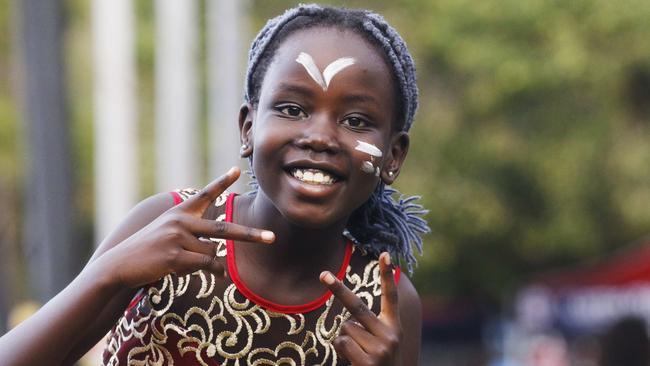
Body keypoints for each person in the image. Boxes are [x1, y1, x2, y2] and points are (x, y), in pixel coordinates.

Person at [0, 4, 429, 365]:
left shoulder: (386, 303)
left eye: (355, 121)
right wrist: (109, 276)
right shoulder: (168, 226)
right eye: (292, 108)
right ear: (247, 129)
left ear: (393, 156)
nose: (318, 137)